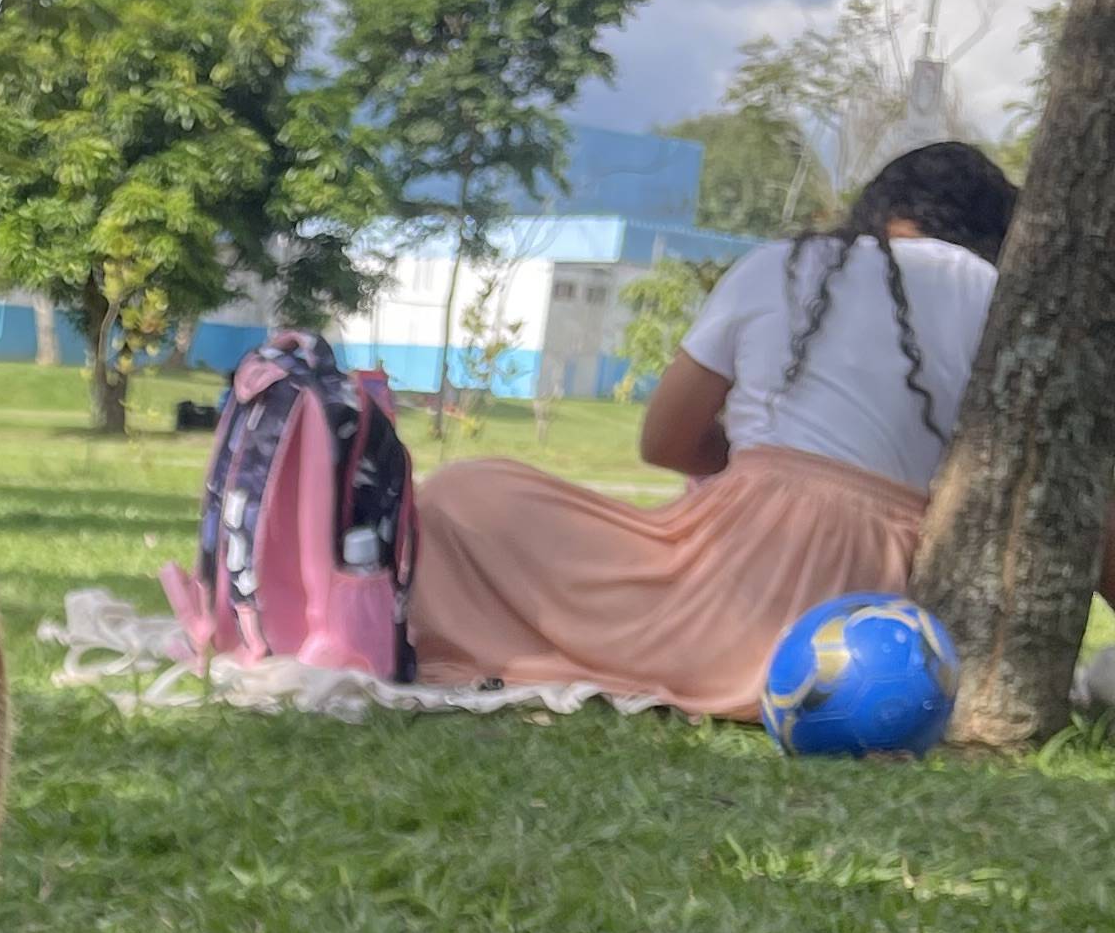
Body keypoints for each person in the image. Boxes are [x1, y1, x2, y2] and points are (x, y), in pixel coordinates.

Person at [408, 140, 1020, 714]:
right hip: (867, 623)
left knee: (465, 492)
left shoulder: (786, 265)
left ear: (878, 207)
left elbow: (665, 440)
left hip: (727, 578)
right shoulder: (998, 293)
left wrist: (762, 469)